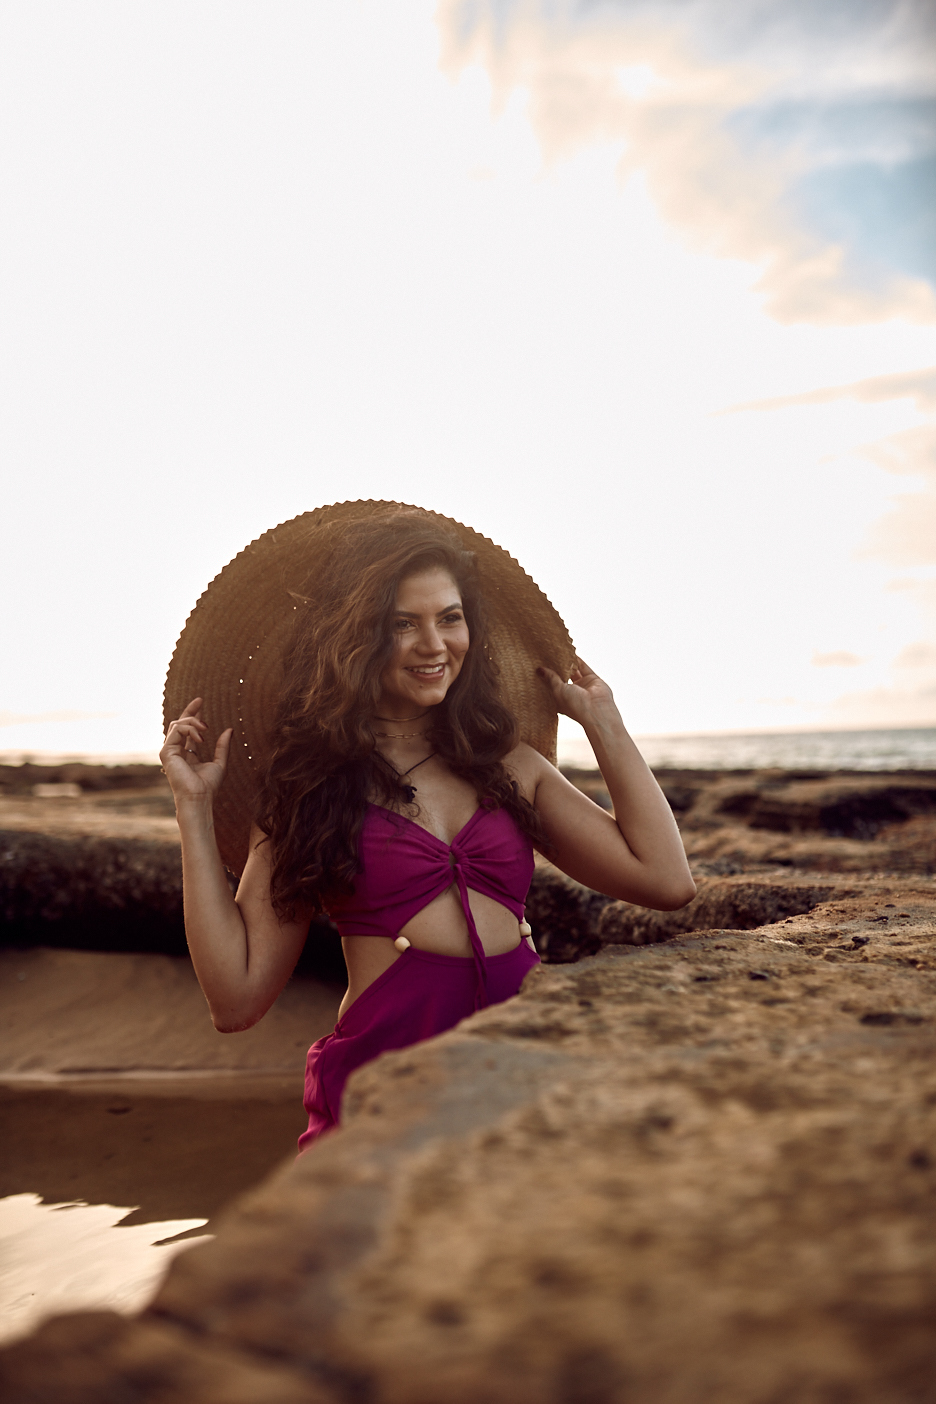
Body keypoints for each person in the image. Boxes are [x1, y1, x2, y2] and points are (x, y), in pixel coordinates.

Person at [160, 503, 695, 1150]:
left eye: (450, 618)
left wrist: (604, 724)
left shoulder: (510, 768)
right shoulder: (309, 790)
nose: (434, 645)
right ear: (355, 637)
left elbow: (666, 880)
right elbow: (236, 1000)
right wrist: (193, 811)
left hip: (520, 1088)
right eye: (401, 624)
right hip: (385, 1104)